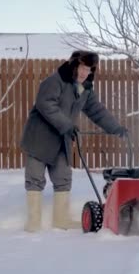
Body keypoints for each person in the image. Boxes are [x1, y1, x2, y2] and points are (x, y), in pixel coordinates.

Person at [20, 50, 127, 232]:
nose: (86, 73)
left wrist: (115, 128)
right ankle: (33, 223)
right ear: (74, 65)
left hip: (61, 140)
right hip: (39, 138)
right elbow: (45, 104)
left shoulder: (84, 89)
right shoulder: (54, 81)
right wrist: (67, 124)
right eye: (83, 68)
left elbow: (97, 111)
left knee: (63, 178)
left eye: (89, 69)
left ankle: (61, 220)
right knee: (35, 179)